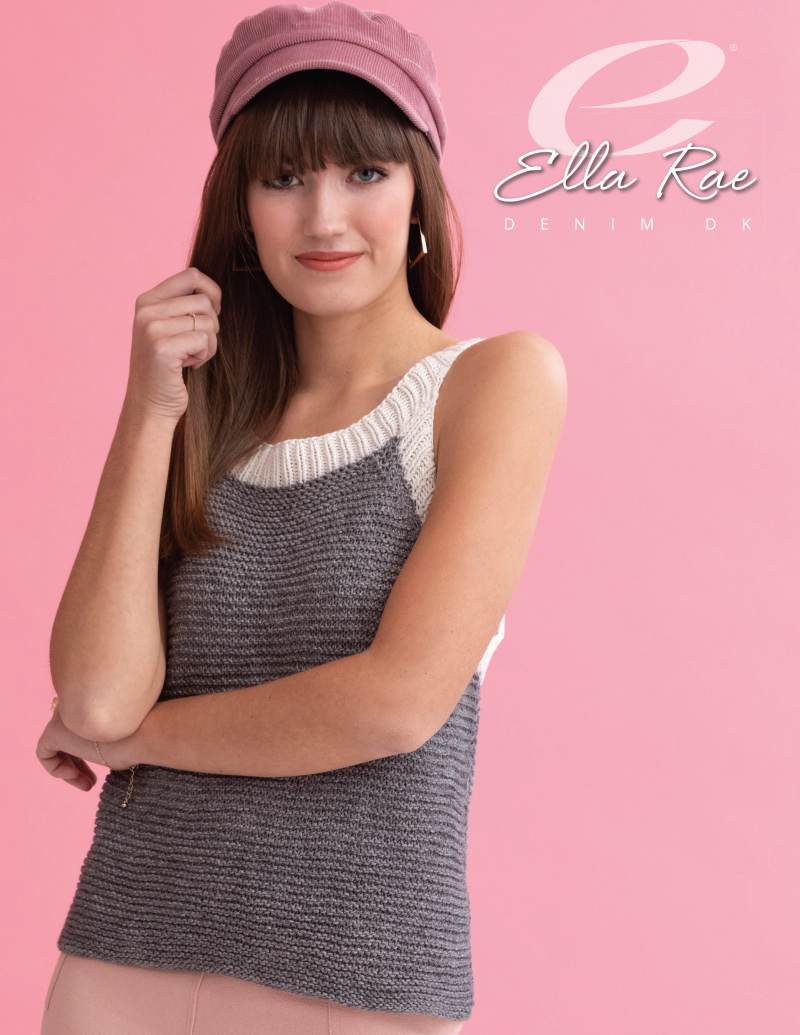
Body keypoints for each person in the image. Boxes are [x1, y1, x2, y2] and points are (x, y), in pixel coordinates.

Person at [36, 3, 567, 1032]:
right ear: (240, 207)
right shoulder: (203, 409)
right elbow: (95, 695)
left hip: (358, 988)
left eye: (364, 172)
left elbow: (393, 705)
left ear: (418, 188)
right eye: (283, 179)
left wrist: (136, 740)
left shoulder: (492, 383)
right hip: (120, 970)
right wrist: (150, 408)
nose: (324, 219)